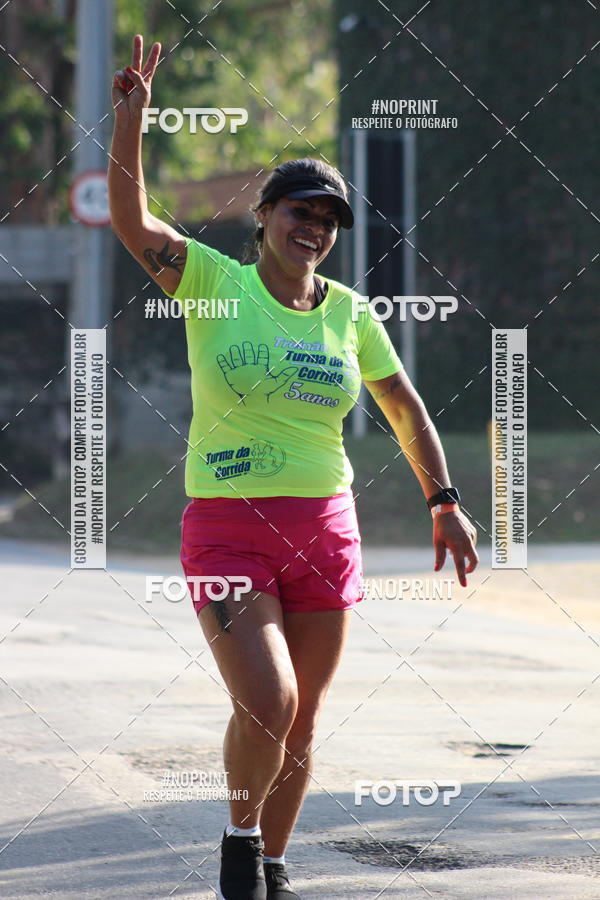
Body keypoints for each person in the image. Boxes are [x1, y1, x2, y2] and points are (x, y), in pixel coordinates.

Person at [108, 35, 479, 900]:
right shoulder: (209, 283)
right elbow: (131, 223)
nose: (312, 228)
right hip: (228, 528)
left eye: (327, 220)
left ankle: (275, 868)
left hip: (327, 529)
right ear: (265, 217)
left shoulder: (350, 313)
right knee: (267, 701)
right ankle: (239, 849)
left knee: (304, 720)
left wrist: (443, 500)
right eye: (298, 211)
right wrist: (131, 126)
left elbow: (403, 407)